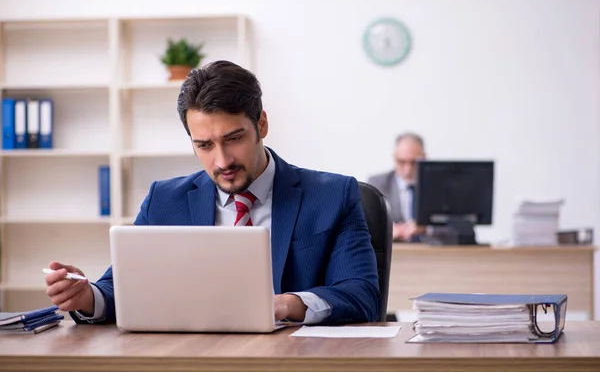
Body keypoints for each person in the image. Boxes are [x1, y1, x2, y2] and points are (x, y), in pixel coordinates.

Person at [44, 60, 381, 326]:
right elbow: (122, 289)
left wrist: (284, 304)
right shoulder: (165, 200)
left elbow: (361, 294)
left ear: (261, 125)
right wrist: (87, 296)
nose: (222, 161)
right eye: (204, 145)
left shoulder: (333, 195)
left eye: (233, 138)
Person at [367, 133, 457, 244]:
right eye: (402, 162)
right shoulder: (378, 184)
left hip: (433, 254)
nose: (407, 169)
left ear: (424, 158)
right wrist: (388, 229)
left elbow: (459, 229)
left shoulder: (441, 186)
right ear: (394, 157)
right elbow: (367, 225)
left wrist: (426, 229)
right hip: (396, 253)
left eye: (414, 162)